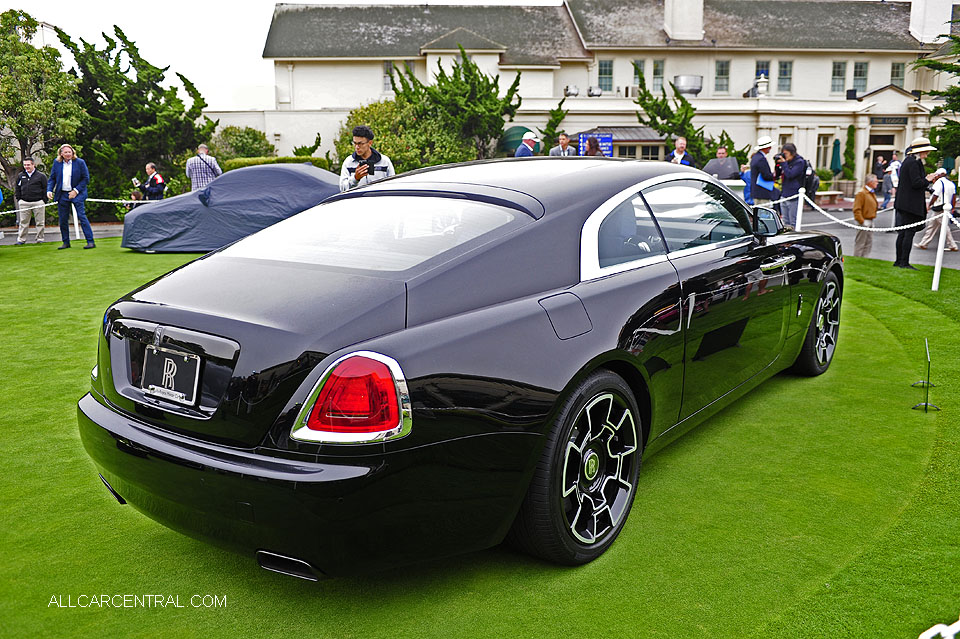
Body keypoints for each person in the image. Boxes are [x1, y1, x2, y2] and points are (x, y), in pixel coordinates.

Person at [893, 137, 939, 269]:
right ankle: (903, 262)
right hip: (910, 205)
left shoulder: (908, 161)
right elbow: (916, 183)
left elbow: (913, 182)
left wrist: (927, 183)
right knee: (908, 233)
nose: (927, 154)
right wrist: (928, 179)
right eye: (926, 151)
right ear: (920, 151)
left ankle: (899, 261)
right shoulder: (913, 163)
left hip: (904, 204)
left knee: (903, 233)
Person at [46, 144, 95, 250]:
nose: (68, 154)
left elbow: (86, 179)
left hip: (77, 193)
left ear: (73, 153)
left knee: (82, 216)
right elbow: (52, 178)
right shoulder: (57, 163)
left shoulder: (80, 162)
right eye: (66, 152)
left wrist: (75, 191)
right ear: (61, 153)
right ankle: (66, 242)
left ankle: (90, 241)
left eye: (70, 152)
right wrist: (49, 190)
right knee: (63, 219)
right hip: (62, 194)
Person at [339, 125, 396, 192]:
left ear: (370, 143)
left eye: (360, 143)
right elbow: (342, 189)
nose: (357, 147)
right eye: (355, 143)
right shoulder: (348, 162)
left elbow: (393, 186)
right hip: (356, 201)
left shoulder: (384, 162)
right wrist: (355, 179)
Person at [916, 168, 959, 252]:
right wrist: (952, 207)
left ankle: (952, 245)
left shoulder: (938, 183)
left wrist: (929, 205)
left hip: (939, 207)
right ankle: (924, 243)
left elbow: (935, 195)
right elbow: (954, 197)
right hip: (947, 207)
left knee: (943, 227)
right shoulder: (951, 183)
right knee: (932, 226)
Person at [14, 157, 47, 245]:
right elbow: (17, 188)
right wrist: (19, 199)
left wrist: (44, 200)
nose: (26, 167)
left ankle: (40, 239)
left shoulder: (41, 176)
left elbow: (45, 189)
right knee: (23, 222)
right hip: (24, 202)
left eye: (28, 165)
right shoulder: (21, 175)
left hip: (38, 202)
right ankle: (21, 240)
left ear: (33, 164)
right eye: (25, 165)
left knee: (40, 222)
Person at [775, 143, 806, 227]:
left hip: (793, 195)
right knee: (785, 221)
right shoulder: (786, 162)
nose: (784, 156)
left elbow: (790, 174)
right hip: (784, 194)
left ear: (792, 153)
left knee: (793, 222)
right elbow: (777, 175)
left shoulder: (799, 162)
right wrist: (777, 165)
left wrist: (784, 164)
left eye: (785, 154)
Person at [852, 174, 879, 257]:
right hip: (864, 220)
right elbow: (857, 209)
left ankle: (865, 259)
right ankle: (857, 259)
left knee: (868, 242)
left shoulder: (870, 193)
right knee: (861, 243)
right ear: (870, 182)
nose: (877, 183)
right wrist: (862, 221)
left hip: (870, 220)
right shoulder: (861, 193)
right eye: (875, 181)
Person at [750, 135, 778, 206]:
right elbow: (766, 176)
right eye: (769, 147)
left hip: (756, 191)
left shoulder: (755, 157)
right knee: (764, 213)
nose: (770, 148)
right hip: (762, 191)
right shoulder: (761, 159)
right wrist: (775, 175)